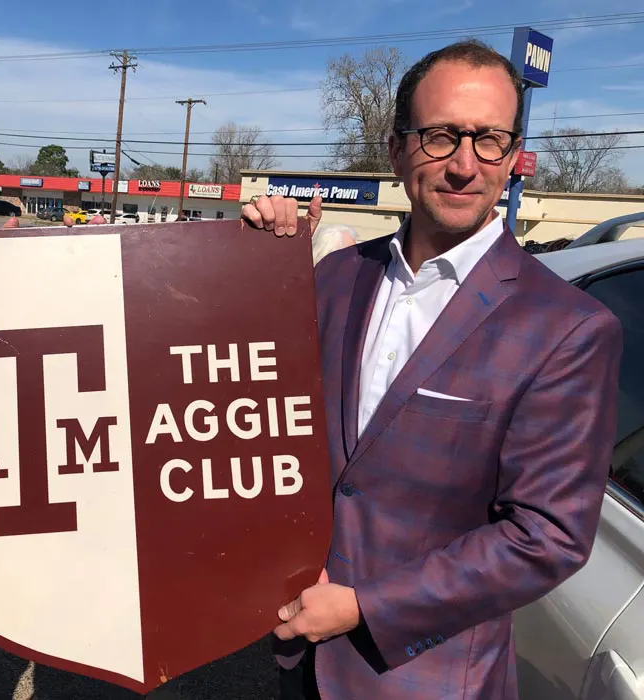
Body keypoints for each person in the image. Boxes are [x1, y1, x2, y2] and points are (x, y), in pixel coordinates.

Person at [242, 39, 622, 700]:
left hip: (426, 677)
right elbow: (251, 406)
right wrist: (252, 266)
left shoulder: (567, 328)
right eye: (442, 136)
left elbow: (546, 535)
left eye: (490, 140)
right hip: (298, 656)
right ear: (396, 149)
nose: (464, 165)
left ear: (512, 156)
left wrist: (365, 604)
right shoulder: (335, 278)